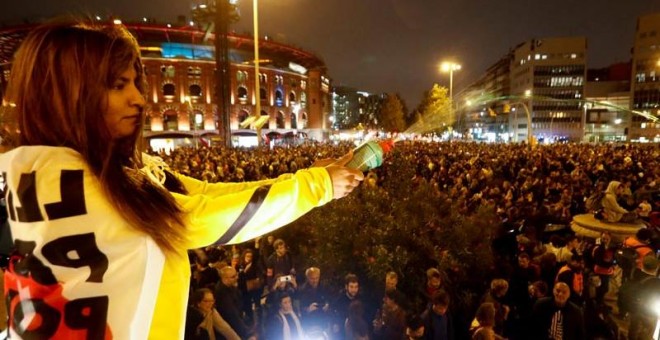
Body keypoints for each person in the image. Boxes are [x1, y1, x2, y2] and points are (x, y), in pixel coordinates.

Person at [0, 20, 364, 339]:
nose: (139, 98)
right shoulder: (75, 184)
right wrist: (319, 186)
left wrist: (310, 175)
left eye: (135, 83)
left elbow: (202, 192)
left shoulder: (65, 171)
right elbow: (200, 217)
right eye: (117, 85)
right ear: (67, 94)